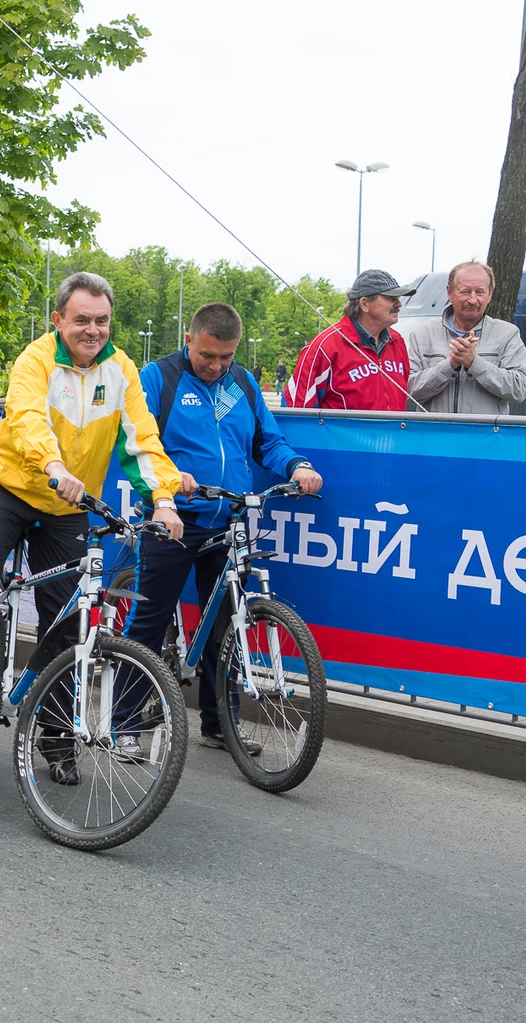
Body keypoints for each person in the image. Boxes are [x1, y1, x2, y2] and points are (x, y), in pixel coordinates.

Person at [0, 272, 183, 783]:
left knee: (69, 623)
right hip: (11, 490)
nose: (93, 330)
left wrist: (163, 500)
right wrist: (54, 467)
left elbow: (142, 440)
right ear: (58, 320)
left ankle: (54, 736)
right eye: (82, 320)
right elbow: (28, 419)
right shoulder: (36, 360)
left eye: (102, 320)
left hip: (67, 506)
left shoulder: (121, 369)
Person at [125, 303, 323, 755]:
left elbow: (267, 442)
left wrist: (297, 466)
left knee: (226, 627)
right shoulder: (158, 378)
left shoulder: (244, 383)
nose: (216, 366)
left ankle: (220, 724)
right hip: (173, 519)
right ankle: (123, 721)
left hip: (229, 521)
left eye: (226, 357)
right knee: (149, 622)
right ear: (189, 340)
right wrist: (171, 477)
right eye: (208, 355)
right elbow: (140, 444)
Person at [405, 261, 526, 415]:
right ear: (449, 292)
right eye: (465, 291)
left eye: (480, 292)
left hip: (484, 430)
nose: (472, 300)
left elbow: (520, 389)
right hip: (436, 429)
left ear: (490, 294)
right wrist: (449, 366)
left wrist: (474, 363)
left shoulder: (507, 334)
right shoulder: (423, 334)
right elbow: (407, 390)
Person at [282, 269, 415, 411]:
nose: (399, 304)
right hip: (341, 427)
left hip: (394, 427)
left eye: (398, 298)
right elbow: (296, 410)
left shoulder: (397, 342)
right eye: (390, 298)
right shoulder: (324, 347)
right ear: (364, 304)